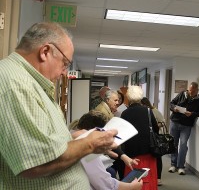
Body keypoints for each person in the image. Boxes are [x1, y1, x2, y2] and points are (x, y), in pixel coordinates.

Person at [0, 22, 117, 189]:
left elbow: (39, 141)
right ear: (45, 52)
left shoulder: (30, 83)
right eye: (65, 63)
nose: (64, 72)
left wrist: (71, 139)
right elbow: (36, 162)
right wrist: (89, 144)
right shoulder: (17, 85)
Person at [76, 110, 143, 190]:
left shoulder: (72, 136)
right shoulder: (87, 149)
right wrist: (132, 187)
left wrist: (124, 157)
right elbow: (105, 184)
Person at [121, 86, 159, 190]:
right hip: (148, 151)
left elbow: (122, 133)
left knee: (132, 179)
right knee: (149, 179)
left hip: (131, 154)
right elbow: (156, 128)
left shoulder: (125, 113)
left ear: (128, 97)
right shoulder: (147, 111)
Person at [169, 82, 199, 175]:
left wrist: (192, 114)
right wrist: (174, 108)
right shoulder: (182, 94)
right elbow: (171, 103)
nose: (190, 93)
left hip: (187, 124)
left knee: (183, 145)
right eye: (189, 91)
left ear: (197, 90)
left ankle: (181, 166)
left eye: (192, 92)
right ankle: (173, 164)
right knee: (173, 143)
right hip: (175, 121)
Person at [141, 97, 165, 186]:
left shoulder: (154, 111)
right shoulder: (141, 112)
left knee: (157, 157)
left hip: (155, 137)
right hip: (146, 137)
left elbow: (162, 121)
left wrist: (155, 125)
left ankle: (158, 178)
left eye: (143, 105)